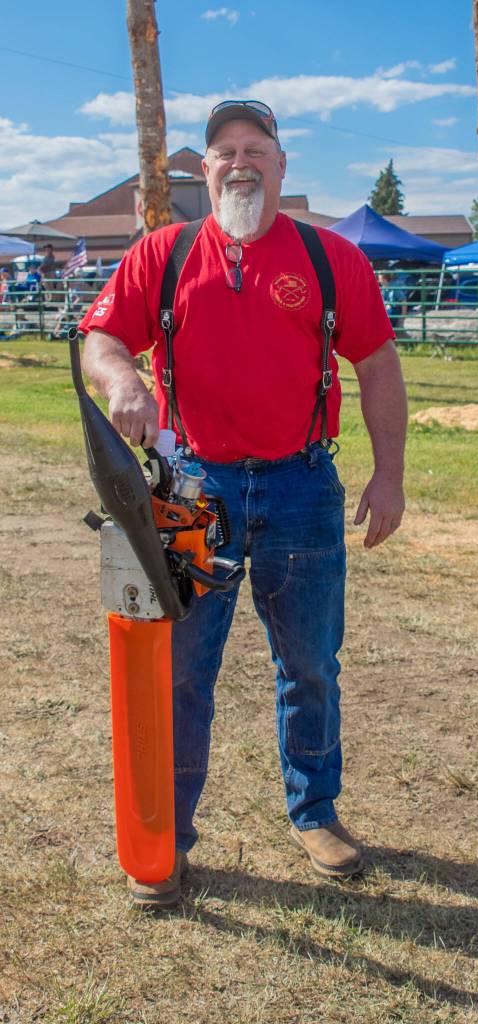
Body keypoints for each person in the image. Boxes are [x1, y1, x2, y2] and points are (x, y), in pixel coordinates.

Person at [80, 100, 407, 908]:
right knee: (183, 670)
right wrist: (124, 378)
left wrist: (390, 475)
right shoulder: (164, 252)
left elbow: (378, 366)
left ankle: (314, 812)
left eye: (256, 148)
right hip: (192, 488)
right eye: (224, 150)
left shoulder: (331, 259)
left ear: (283, 165)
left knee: (309, 665)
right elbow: (101, 339)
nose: (239, 161)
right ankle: (167, 837)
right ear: (204, 170)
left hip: (302, 486)